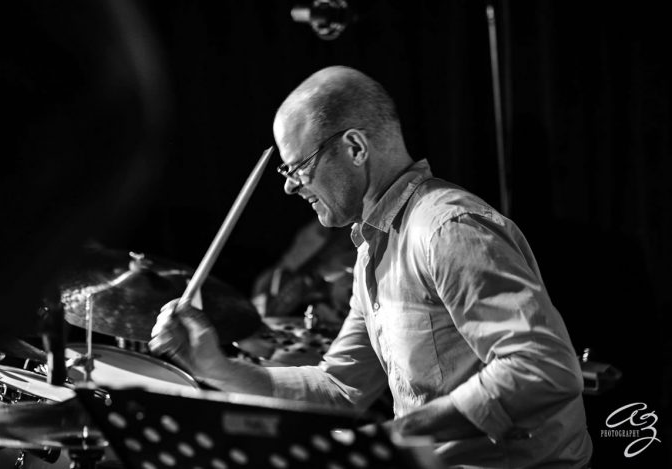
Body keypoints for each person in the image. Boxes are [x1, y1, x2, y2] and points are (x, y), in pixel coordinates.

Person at [149, 66, 593, 468]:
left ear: (355, 148)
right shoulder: (373, 248)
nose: (289, 187)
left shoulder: (446, 229)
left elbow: (544, 368)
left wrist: (393, 438)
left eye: (298, 167)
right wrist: (215, 367)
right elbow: (341, 387)